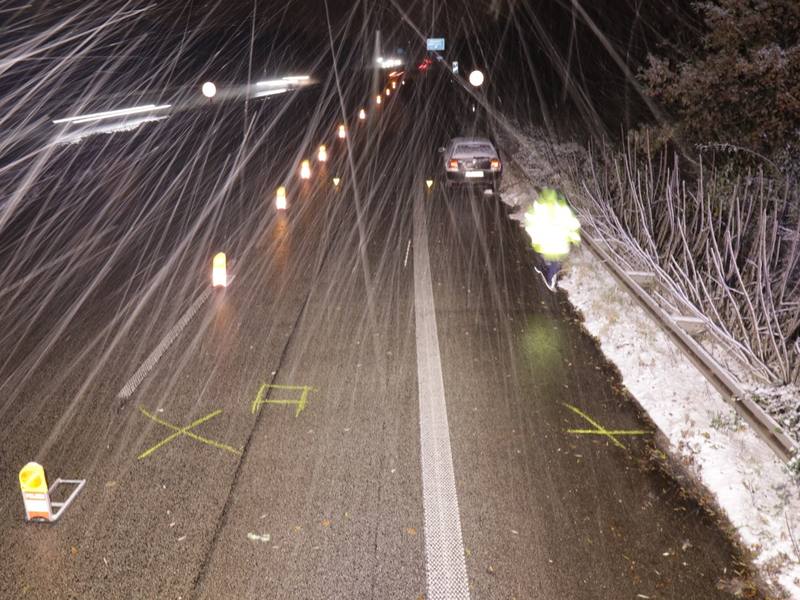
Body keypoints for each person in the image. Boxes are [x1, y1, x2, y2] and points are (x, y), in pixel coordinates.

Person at [524, 188, 581, 290]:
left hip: (545, 244)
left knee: (541, 250)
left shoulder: (539, 206)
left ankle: (541, 266)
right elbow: (573, 224)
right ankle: (552, 273)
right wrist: (574, 239)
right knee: (556, 256)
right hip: (561, 245)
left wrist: (533, 235)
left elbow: (530, 222)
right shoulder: (564, 208)